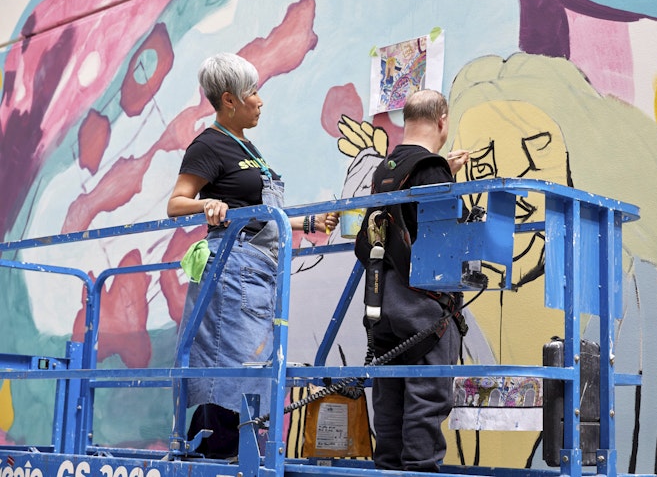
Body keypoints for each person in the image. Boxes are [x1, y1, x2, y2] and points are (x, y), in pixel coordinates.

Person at [168, 52, 337, 459]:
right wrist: (205, 205)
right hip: (232, 270)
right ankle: (215, 453)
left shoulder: (247, 146)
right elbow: (176, 203)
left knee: (254, 370)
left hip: (262, 272)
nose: (260, 100)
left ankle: (228, 451)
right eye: (253, 92)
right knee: (231, 368)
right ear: (229, 99)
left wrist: (307, 225)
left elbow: (261, 214)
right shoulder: (208, 145)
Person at [355, 89, 470, 471]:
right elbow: (444, 236)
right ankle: (420, 470)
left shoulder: (385, 168)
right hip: (422, 307)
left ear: (407, 120)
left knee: (390, 399)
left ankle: (388, 467)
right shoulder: (430, 167)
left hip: (382, 302)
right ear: (442, 121)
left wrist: (443, 176)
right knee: (426, 397)